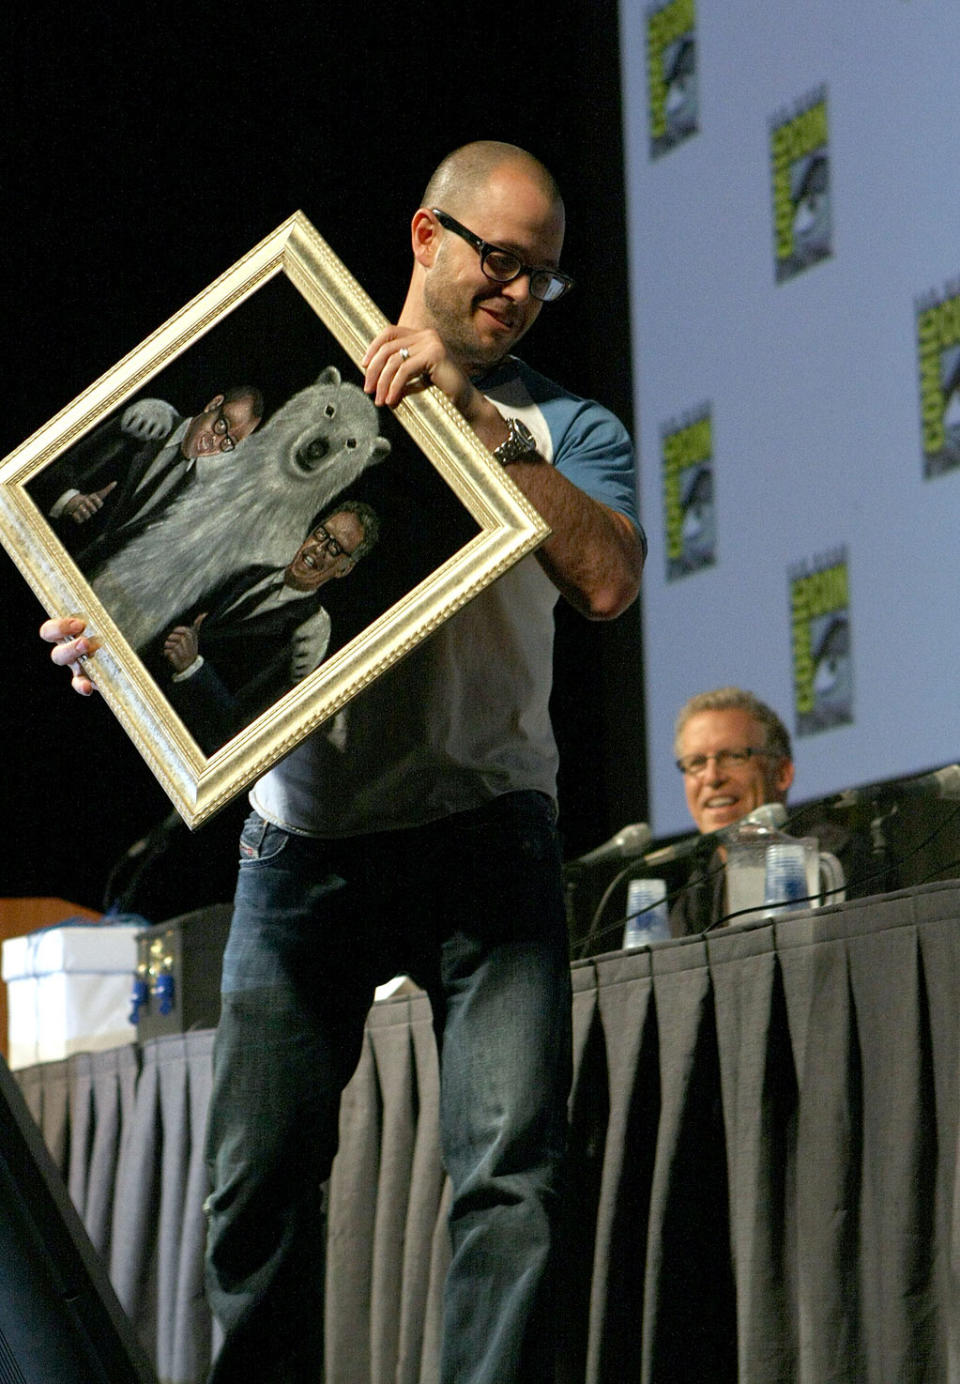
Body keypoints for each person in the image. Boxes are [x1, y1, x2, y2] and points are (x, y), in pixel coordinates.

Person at [41, 140, 645, 1384]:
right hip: (301, 849)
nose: (520, 292)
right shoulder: (293, 358)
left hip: (489, 834)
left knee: (510, 1179)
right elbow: (187, 582)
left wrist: (487, 432)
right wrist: (107, 630)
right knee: (252, 1199)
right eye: (500, 259)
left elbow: (608, 577)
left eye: (543, 277)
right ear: (427, 238)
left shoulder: (559, 423)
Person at [157, 501, 379, 754]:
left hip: (188, 747)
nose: (318, 549)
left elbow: (251, 728)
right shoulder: (253, 572)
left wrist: (193, 670)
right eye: (321, 534)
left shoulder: (311, 630)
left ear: (344, 569)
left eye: (334, 548)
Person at [668, 686, 876, 935]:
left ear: (781, 773)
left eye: (734, 756)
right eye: (697, 763)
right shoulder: (697, 892)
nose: (712, 778)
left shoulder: (834, 860)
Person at [35, 386, 264, 571]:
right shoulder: (146, 420)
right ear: (213, 404)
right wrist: (69, 500)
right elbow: (59, 462)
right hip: (41, 543)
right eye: (221, 425)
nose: (213, 443)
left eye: (228, 443)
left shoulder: (193, 490)